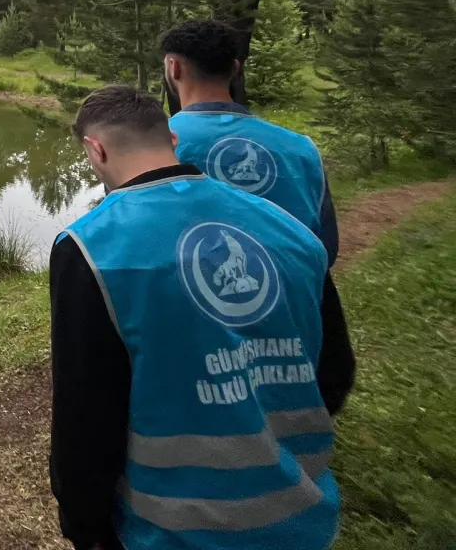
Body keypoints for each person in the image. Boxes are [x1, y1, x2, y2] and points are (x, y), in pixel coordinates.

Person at [50, 85, 355, 550]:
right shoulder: (290, 231)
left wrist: (83, 523)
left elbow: (86, 411)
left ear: (96, 149)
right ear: (172, 139)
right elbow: (334, 371)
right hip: (301, 518)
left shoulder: (92, 246)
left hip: (172, 529)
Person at [162, 18, 340, 264]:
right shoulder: (301, 147)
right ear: (236, 68)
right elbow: (326, 248)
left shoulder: (154, 145)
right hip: (297, 285)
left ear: (174, 68)